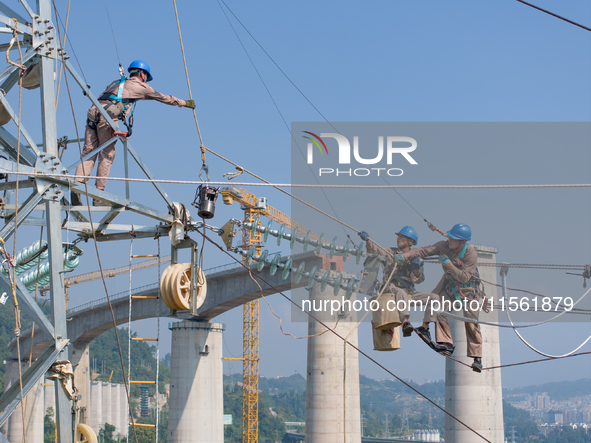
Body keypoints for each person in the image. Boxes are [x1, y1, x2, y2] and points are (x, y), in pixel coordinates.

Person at [71, 60, 195, 205]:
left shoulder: (115, 82)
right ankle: (98, 196)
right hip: (108, 117)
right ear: (142, 73)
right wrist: (185, 103)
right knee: (107, 153)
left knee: (89, 152)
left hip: (92, 114)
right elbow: (164, 98)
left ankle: (77, 188)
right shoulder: (141, 86)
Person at [395, 223, 484, 372]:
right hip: (450, 287)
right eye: (449, 237)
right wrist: (406, 255)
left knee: (471, 322)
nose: (449, 240)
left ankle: (477, 358)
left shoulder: (470, 254)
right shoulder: (444, 246)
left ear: (462, 242)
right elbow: (424, 251)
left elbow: (464, 277)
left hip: (468, 290)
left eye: (453, 238)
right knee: (439, 307)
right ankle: (445, 342)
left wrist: (449, 265)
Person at [359, 226, 426, 337]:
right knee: (401, 293)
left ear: (410, 241)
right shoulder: (390, 252)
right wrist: (368, 241)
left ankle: (425, 328)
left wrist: (416, 268)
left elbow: (418, 280)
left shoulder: (415, 258)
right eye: (398, 236)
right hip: (390, 288)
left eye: (401, 237)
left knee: (434, 298)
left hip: (408, 292)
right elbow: (374, 251)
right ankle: (405, 323)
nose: (398, 239)